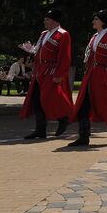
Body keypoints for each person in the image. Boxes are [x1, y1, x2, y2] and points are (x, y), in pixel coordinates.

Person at [68, 10, 107, 146]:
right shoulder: (95, 36)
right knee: (83, 104)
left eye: (96, 19)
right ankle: (83, 136)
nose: (93, 21)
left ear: (102, 21)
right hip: (90, 73)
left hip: (102, 73)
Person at [20, 9, 74, 139]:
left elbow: (65, 56)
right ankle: (40, 129)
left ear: (54, 21)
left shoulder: (63, 34)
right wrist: (29, 50)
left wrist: (59, 74)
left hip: (52, 70)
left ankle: (63, 119)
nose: (44, 21)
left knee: (49, 98)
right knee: (37, 99)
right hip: (40, 70)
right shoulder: (44, 34)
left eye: (47, 19)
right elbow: (37, 50)